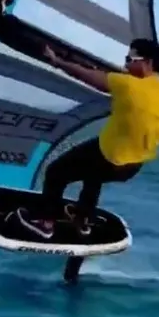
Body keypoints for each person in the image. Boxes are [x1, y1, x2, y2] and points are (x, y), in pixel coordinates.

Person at [19, 37, 159, 240]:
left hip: (108, 156)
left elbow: (87, 75)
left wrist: (57, 61)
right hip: (133, 166)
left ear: (147, 62)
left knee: (56, 172)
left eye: (130, 58)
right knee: (93, 176)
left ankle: (45, 222)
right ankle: (82, 219)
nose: (125, 64)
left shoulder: (127, 85)